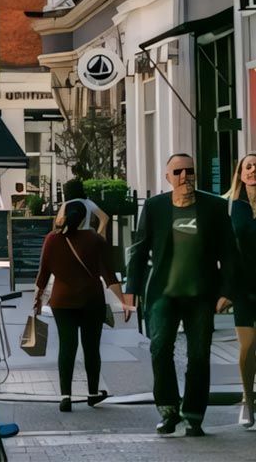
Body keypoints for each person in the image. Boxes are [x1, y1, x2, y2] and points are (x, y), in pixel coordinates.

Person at [122, 153, 237, 437]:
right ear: (168, 178)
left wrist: (228, 291)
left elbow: (230, 254)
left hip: (201, 295)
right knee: (160, 350)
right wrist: (130, 290)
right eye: (178, 173)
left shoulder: (214, 207)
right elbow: (138, 250)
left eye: (189, 171)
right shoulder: (155, 207)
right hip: (164, 294)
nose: (185, 177)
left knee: (198, 356)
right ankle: (168, 410)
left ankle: (194, 414)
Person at [33, 201, 128, 411]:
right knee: (91, 348)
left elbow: (43, 273)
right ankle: (93, 393)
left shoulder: (52, 239)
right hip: (91, 301)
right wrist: (124, 302)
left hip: (61, 302)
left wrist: (37, 299)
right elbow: (109, 275)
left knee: (67, 347)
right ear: (86, 218)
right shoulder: (95, 239)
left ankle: (65, 396)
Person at [225, 151, 256, 429]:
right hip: (244, 288)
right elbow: (224, 252)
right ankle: (248, 400)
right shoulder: (231, 206)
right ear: (240, 172)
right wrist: (225, 290)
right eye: (248, 166)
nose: (253, 170)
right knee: (247, 347)